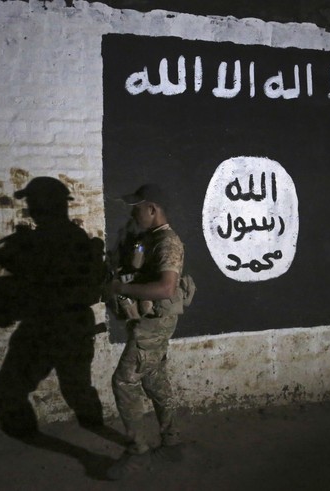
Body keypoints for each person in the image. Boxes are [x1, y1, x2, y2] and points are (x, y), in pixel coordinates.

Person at [0, 176, 107, 438]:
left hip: (46, 327)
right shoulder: (72, 237)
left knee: (10, 391)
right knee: (77, 390)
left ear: (43, 205)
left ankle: (38, 439)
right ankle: (103, 436)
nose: (29, 207)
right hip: (72, 326)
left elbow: (16, 279)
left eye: (32, 202)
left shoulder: (37, 242)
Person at [105, 183, 186, 480]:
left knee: (124, 381)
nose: (133, 211)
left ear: (152, 209)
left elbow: (166, 288)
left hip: (153, 326)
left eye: (137, 207)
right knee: (153, 377)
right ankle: (172, 442)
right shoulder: (150, 239)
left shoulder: (167, 243)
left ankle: (138, 453)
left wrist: (122, 288)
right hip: (150, 323)